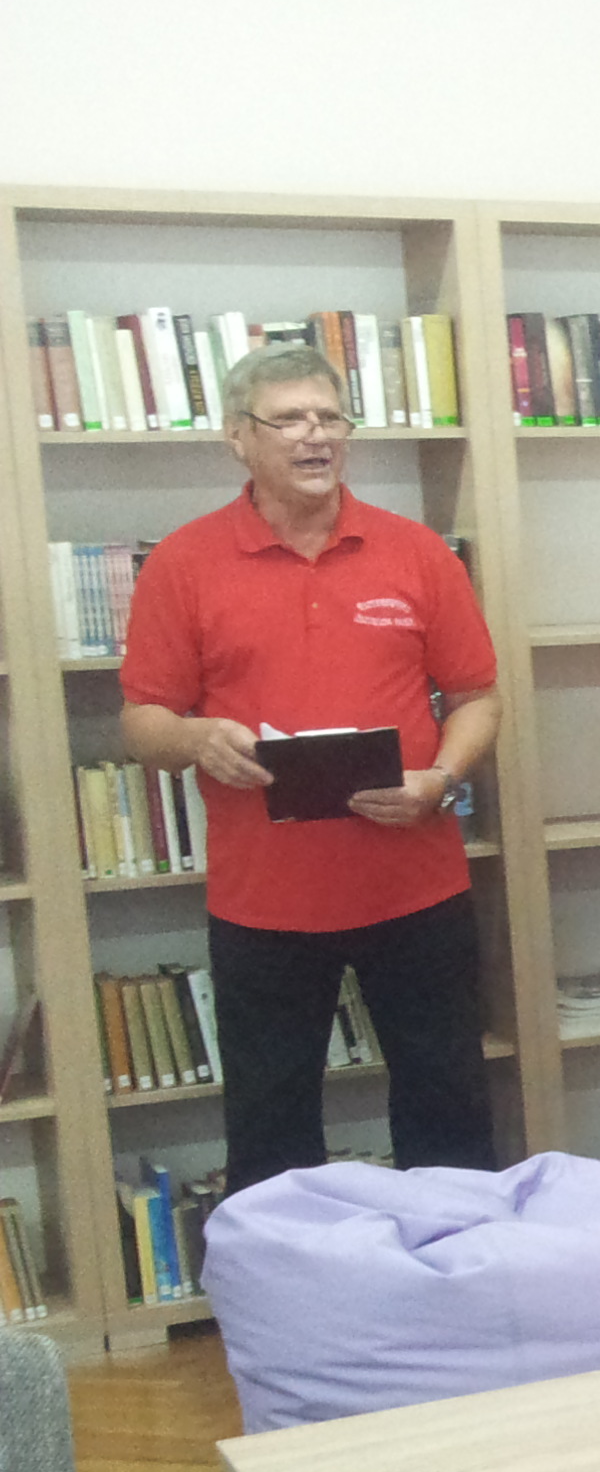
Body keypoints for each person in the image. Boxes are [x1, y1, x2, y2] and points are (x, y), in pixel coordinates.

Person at [120, 342, 503, 1192]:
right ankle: (287, 1277)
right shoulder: (183, 563)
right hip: (265, 903)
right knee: (270, 1125)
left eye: (330, 417)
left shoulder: (417, 551)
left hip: (416, 888)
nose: (315, 435)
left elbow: (479, 697)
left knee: (449, 1109)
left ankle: (455, 1266)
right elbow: (144, 721)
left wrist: (440, 780)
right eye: (289, 419)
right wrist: (197, 739)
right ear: (238, 438)